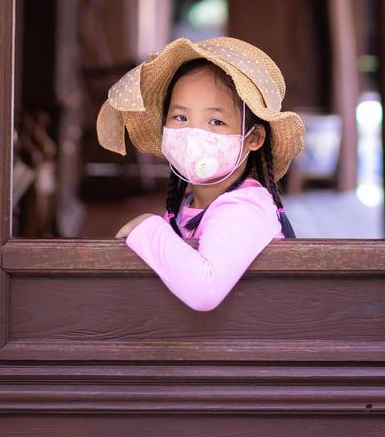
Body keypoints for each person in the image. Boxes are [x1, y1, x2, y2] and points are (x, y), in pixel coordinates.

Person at [95, 36, 305, 311]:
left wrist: (147, 227)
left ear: (253, 139)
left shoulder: (245, 207)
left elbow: (204, 290)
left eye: (216, 121)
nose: (193, 133)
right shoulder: (190, 201)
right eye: (180, 117)